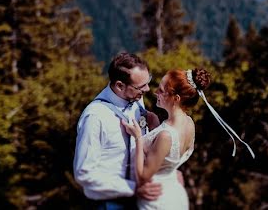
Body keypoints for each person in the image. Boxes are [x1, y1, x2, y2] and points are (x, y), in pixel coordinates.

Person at [123, 68, 255, 210]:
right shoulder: (189, 123)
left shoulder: (166, 135)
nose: (155, 92)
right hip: (174, 193)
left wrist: (138, 138)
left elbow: (143, 176)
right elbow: (166, 158)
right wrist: (154, 123)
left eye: (161, 90)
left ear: (176, 98)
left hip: (157, 200)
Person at [74, 52, 162, 209]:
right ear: (120, 86)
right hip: (108, 203)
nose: (148, 89)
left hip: (140, 200)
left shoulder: (136, 99)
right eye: (141, 86)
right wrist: (132, 188)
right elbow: (83, 173)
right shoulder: (95, 117)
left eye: (148, 81)